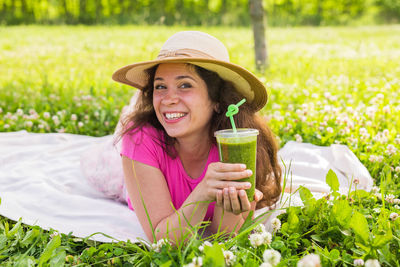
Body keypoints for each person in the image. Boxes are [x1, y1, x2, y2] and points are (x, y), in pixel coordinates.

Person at [104, 31, 281, 243]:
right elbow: (163, 240)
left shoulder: (238, 143)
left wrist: (231, 209)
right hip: (132, 174)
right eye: (160, 86)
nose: (168, 99)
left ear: (217, 99)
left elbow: (224, 237)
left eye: (185, 85)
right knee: (104, 166)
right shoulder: (140, 138)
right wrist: (203, 192)